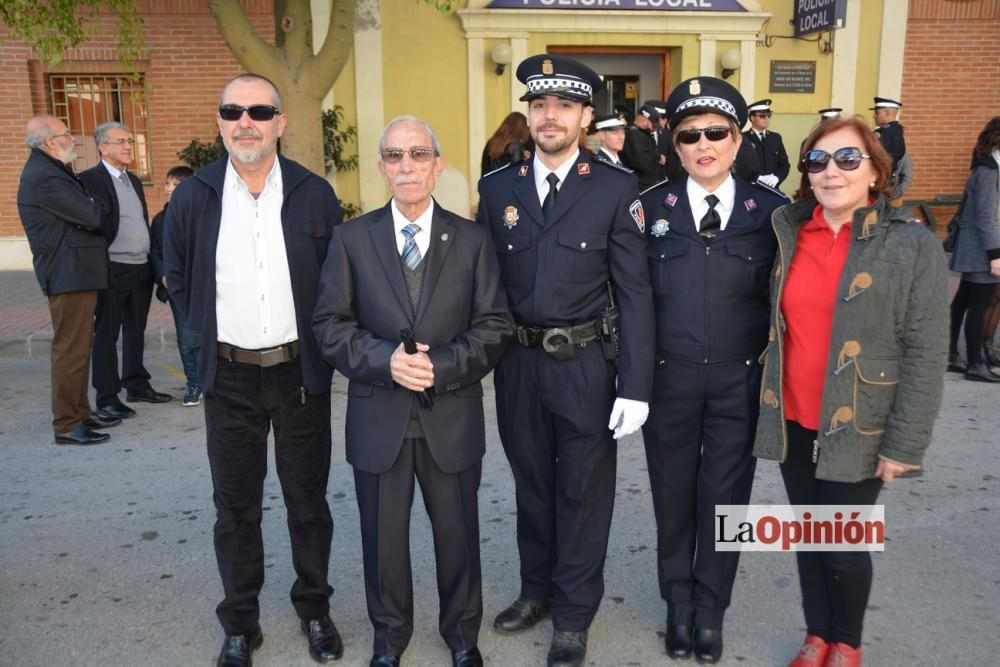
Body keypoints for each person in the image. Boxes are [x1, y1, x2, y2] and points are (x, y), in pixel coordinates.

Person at [313, 115, 513, 667]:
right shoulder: (351, 239)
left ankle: (462, 636)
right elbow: (330, 325)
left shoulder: (472, 240)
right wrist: (386, 363)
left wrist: (442, 366)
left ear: (437, 165)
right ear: (381, 167)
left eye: (418, 154)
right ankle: (390, 638)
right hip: (379, 418)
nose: (406, 166)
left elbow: (495, 326)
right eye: (395, 155)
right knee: (383, 544)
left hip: (451, 415)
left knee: (458, 539)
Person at [477, 54, 654, 667]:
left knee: (582, 491)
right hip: (519, 364)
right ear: (529, 114)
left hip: (585, 364)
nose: (549, 116)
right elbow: (484, 286)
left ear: (584, 117)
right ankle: (536, 591)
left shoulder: (614, 189)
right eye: (539, 105)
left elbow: (634, 292)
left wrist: (635, 384)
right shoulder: (498, 188)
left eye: (563, 106)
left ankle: (574, 613)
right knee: (532, 484)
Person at [163, 73, 344, 667]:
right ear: (219, 121)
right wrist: (199, 353)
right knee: (235, 506)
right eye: (233, 110)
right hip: (231, 377)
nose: (246, 121)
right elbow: (180, 279)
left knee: (307, 503)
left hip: (298, 375)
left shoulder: (315, 194)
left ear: (280, 123)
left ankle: (314, 609)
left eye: (260, 111)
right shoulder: (194, 197)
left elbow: (335, 285)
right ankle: (241, 623)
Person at [754, 116, 948, 667]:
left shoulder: (909, 244)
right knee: (810, 538)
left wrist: (904, 446)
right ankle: (817, 636)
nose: (831, 172)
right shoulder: (788, 232)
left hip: (862, 424)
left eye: (846, 159)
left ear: (874, 172)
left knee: (840, 544)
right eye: (817, 161)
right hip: (794, 418)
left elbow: (927, 352)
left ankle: (848, 644)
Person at [638, 77, 787, 665]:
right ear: (675, 146)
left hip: (739, 380)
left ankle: (711, 608)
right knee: (672, 494)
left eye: (716, 132)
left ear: (736, 138)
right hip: (668, 378)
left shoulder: (772, 212)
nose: (704, 144)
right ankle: (677, 602)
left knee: (726, 498)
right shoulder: (649, 209)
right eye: (689, 135)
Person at [16, 115, 118, 445]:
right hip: (67, 274)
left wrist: (90, 206)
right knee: (70, 351)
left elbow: (88, 214)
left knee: (78, 349)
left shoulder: (53, 171)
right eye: (66, 133)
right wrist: (93, 204)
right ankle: (67, 423)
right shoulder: (45, 176)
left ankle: (80, 412)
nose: (73, 138)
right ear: (49, 141)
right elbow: (93, 216)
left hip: (75, 272)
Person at [79, 122, 172, 419]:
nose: (128, 146)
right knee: (107, 333)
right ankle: (107, 396)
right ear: (102, 147)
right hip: (111, 267)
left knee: (136, 330)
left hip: (139, 266)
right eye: (120, 142)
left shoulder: (132, 179)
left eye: (129, 141)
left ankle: (136, 383)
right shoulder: (88, 180)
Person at [947, 116, 1000, 383]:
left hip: (973, 246)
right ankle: (975, 364)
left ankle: (950, 355)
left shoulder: (983, 168)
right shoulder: (989, 172)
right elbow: (986, 217)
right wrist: (996, 254)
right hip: (982, 249)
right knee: (979, 306)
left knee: (962, 303)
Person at [148, 165, 201, 405]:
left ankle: (214, 380)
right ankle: (194, 383)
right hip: (176, 287)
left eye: (176, 185)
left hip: (202, 286)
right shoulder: (160, 220)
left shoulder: (203, 216)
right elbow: (156, 252)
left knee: (211, 334)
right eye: (168, 184)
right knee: (185, 336)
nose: (169, 188)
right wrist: (163, 276)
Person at [741, 99, 790, 189]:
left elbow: (784, 165)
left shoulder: (775, 138)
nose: (767, 119)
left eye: (768, 115)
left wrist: (776, 177)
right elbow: (738, 167)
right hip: (751, 189)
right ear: (752, 118)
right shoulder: (743, 139)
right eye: (762, 116)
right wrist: (756, 178)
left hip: (773, 189)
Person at [621, 103, 661, 190]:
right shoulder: (635, 135)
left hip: (644, 185)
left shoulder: (642, 134)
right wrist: (658, 158)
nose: (654, 129)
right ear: (644, 120)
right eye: (653, 126)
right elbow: (643, 164)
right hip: (640, 187)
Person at [870, 97, 906, 177]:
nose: (874, 116)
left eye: (877, 113)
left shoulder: (882, 133)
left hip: (878, 180)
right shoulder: (898, 131)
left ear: (886, 113)